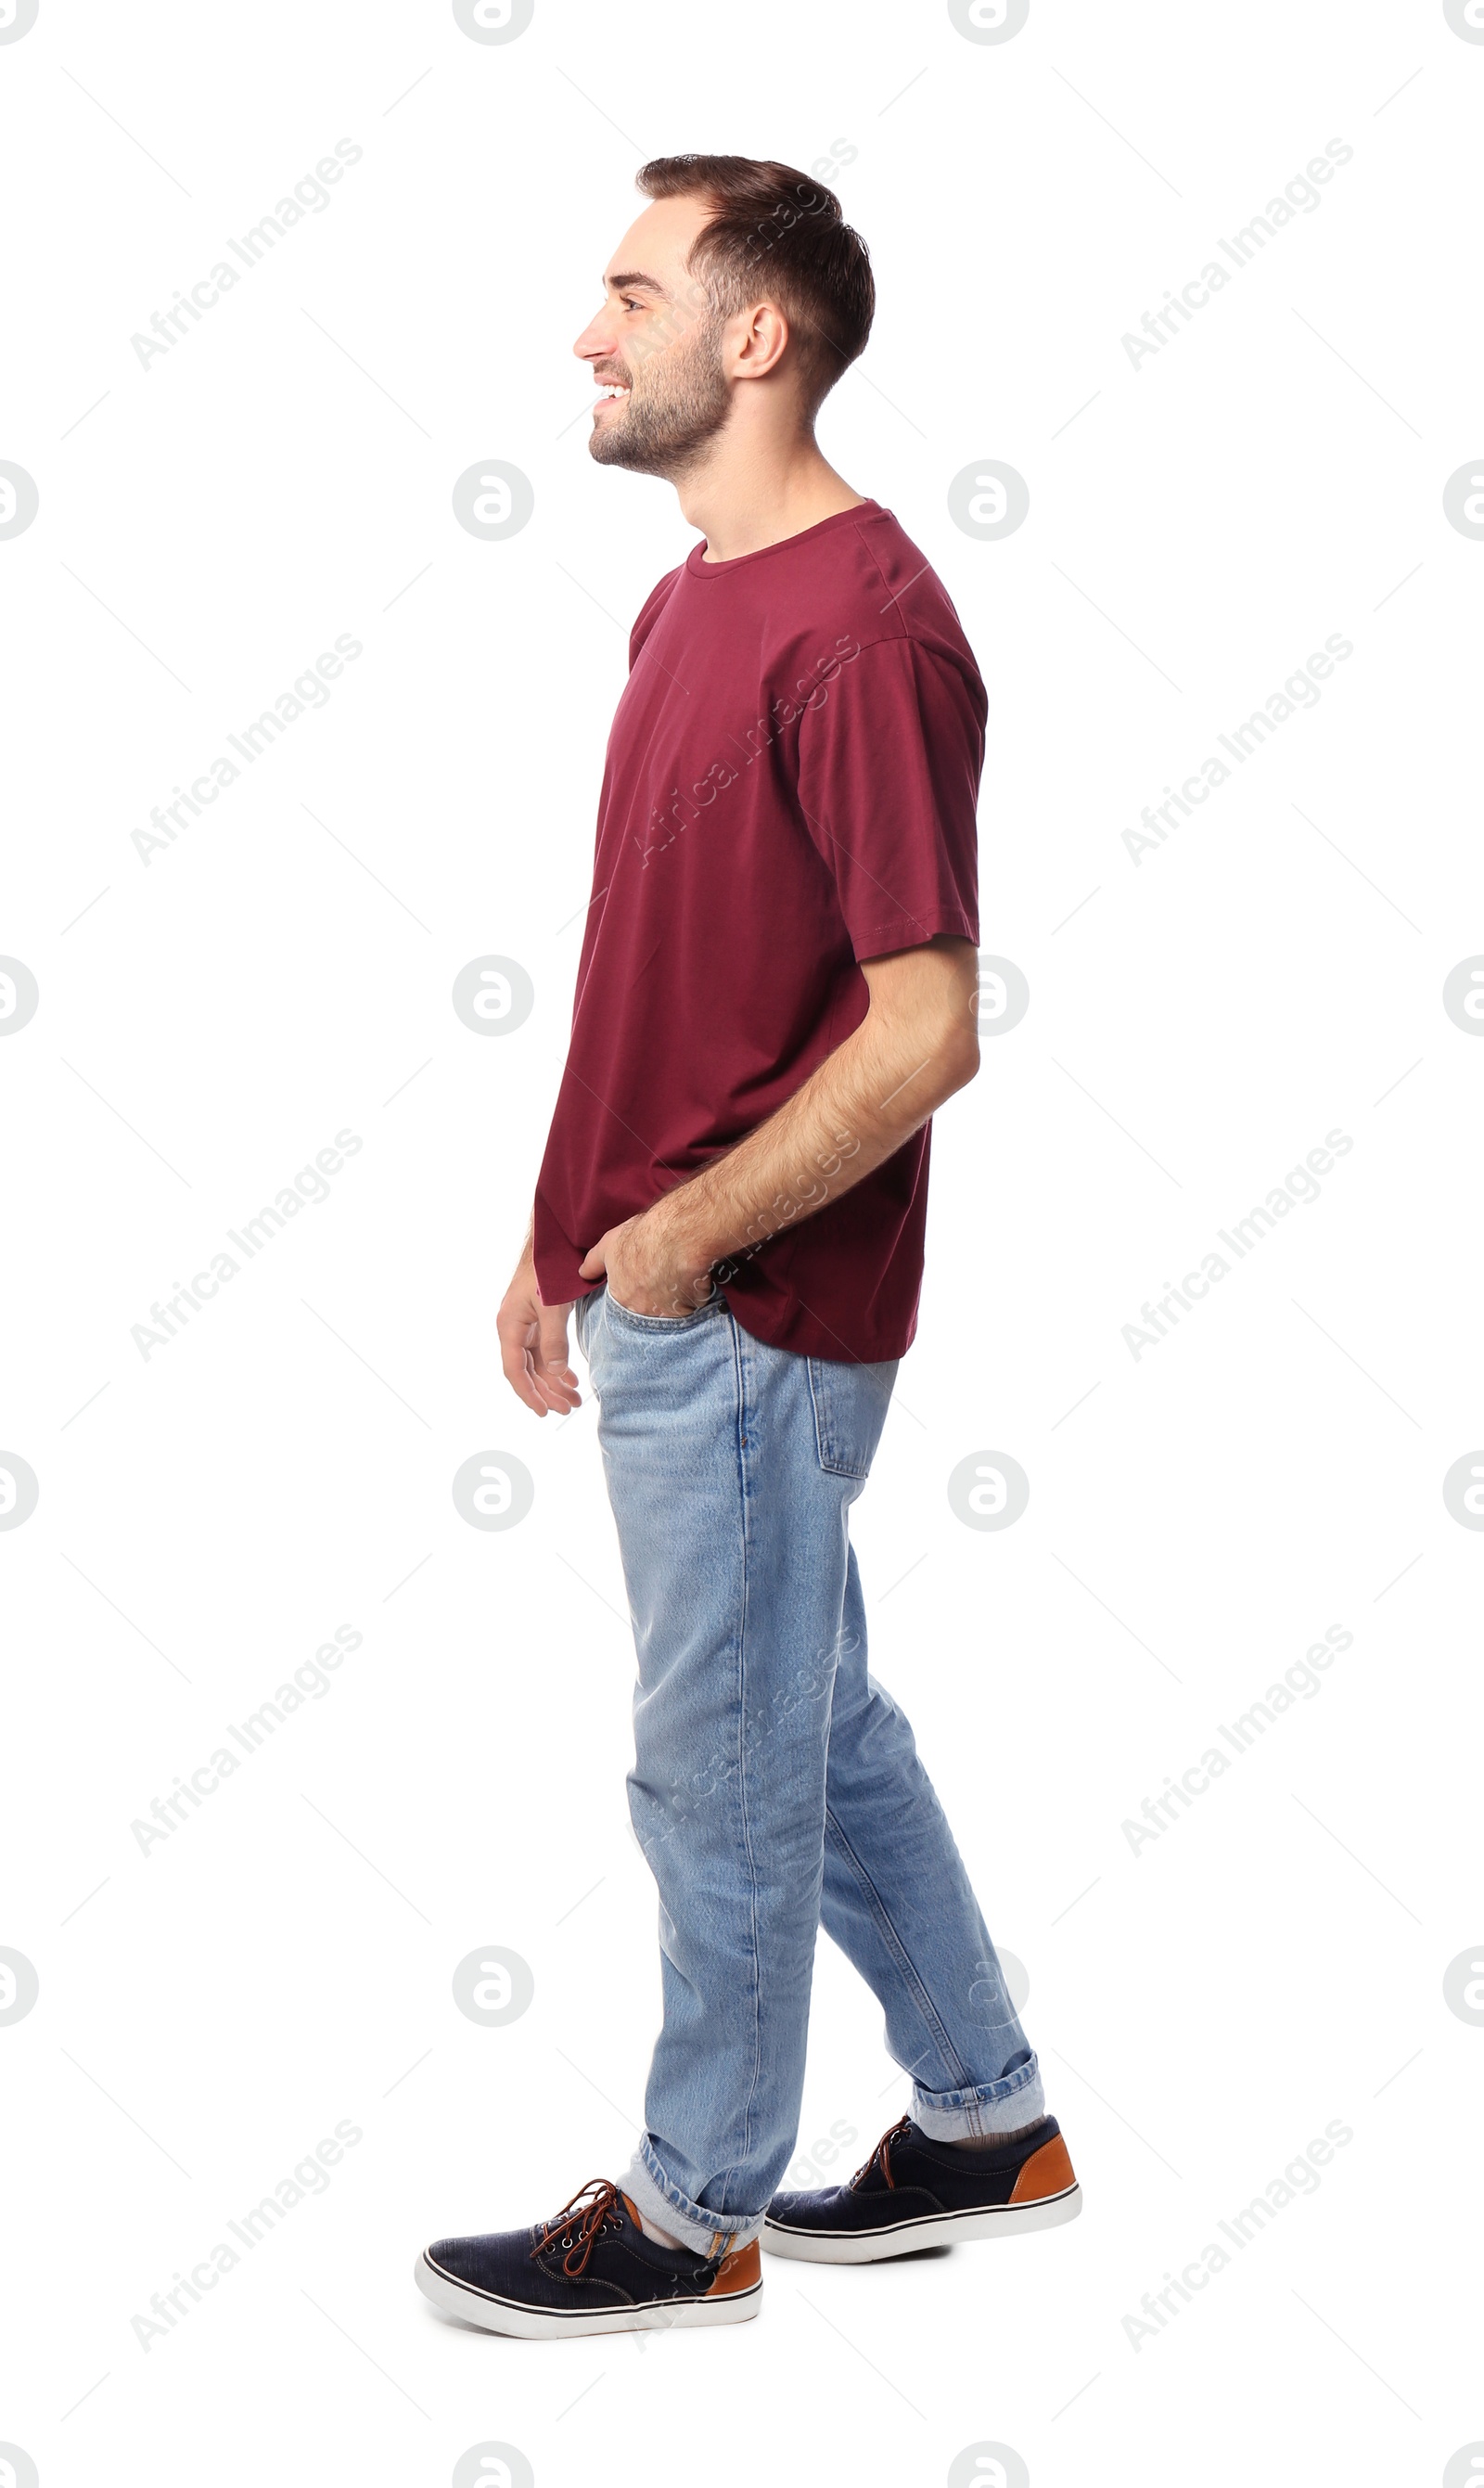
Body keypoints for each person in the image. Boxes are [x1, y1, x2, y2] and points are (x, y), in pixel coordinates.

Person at [415, 154, 1079, 2341]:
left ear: (753, 336)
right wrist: (552, 1232)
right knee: (812, 1716)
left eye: (626, 293)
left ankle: (691, 2215)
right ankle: (984, 2121)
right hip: (652, 1282)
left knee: (709, 1759)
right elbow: (657, 967)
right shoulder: (690, 599)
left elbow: (926, 1030)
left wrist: (679, 1243)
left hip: (756, 1310)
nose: (587, 336)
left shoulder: (870, 632)